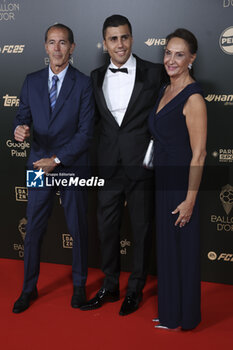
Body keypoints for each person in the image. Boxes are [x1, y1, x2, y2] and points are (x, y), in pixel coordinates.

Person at [80, 14, 164, 316]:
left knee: (141, 231)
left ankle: (135, 289)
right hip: (107, 167)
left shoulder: (154, 73)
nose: (120, 44)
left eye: (125, 37)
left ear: (132, 38)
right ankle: (110, 286)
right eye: (113, 39)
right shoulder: (94, 76)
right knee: (106, 229)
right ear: (105, 43)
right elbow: (91, 121)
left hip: (141, 166)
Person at [12, 23, 94, 313]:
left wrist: (57, 159)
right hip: (37, 163)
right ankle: (28, 288)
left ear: (72, 48)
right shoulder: (31, 80)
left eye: (63, 43)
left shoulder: (83, 84)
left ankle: (80, 286)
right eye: (51, 42)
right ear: (45, 47)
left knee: (78, 228)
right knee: (32, 227)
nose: (57, 48)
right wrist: (19, 129)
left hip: (70, 165)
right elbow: (22, 116)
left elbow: (86, 133)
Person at [148, 28, 207, 330]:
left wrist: (190, 200)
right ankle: (169, 312)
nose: (171, 59)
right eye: (168, 52)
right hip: (163, 181)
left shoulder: (193, 97)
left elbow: (199, 155)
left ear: (191, 59)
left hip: (183, 186)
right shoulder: (164, 89)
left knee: (182, 249)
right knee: (168, 248)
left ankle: (185, 316)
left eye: (179, 54)